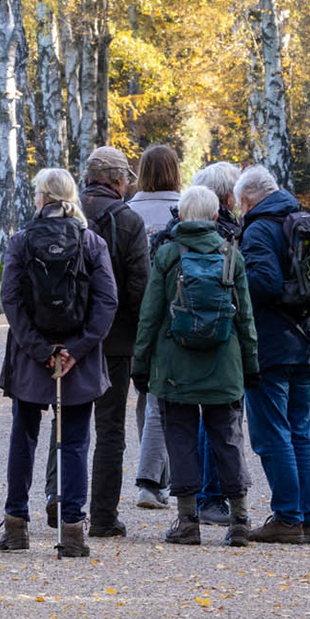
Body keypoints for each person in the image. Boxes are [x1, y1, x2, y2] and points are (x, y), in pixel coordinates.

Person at [0, 168, 119, 557]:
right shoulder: (91, 243)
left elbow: (12, 301)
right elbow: (106, 303)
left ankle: (16, 526)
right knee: (76, 442)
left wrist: (39, 349)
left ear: (42, 198)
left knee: (24, 438)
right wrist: (76, 350)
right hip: (77, 359)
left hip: (31, 356)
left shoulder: (21, 242)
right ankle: (72, 530)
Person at [131, 185, 259, 547]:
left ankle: (188, 522)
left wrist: (141, 366)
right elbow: (245, 319)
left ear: (182, 216)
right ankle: (240, 521)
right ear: (217, 217)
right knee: (228, 439)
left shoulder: (168, 254)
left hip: (175, 367)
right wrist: (250, 367)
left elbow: (150, 315)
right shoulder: (232, 255)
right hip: (225, 364)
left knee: (181, 439)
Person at [236, 165, 310, 545]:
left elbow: (262, 282)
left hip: (272, 345)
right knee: (302, 432)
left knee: (273, 434)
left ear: (247, 200)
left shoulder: (258, 229)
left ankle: (287, 517)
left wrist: (238, 281)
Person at [77, 146, 150, 537]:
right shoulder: (128, 220)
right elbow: (140, 284)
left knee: (67, 425)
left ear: (89, 177)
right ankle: (103, 517)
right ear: (119, 180)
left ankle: (63, 507)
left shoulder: (66, 212)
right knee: (109, 429)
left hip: (65, 342)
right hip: (115, 340)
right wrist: (141, 337)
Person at [184, 161, 244, 526]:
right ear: (225, 197)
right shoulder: (230, 241)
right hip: (224, 346)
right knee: (222, 424)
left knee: (199, 424)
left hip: (186, 345)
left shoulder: (174, 244)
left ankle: (198, 503)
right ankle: (214, 496)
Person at [126, 145, 183, 510]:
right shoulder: (187, 207)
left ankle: (151, 476)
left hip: (135, 316)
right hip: (178, 314)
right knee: (175, 397)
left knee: (145, 394)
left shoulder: (128, 211)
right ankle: (169, 476)